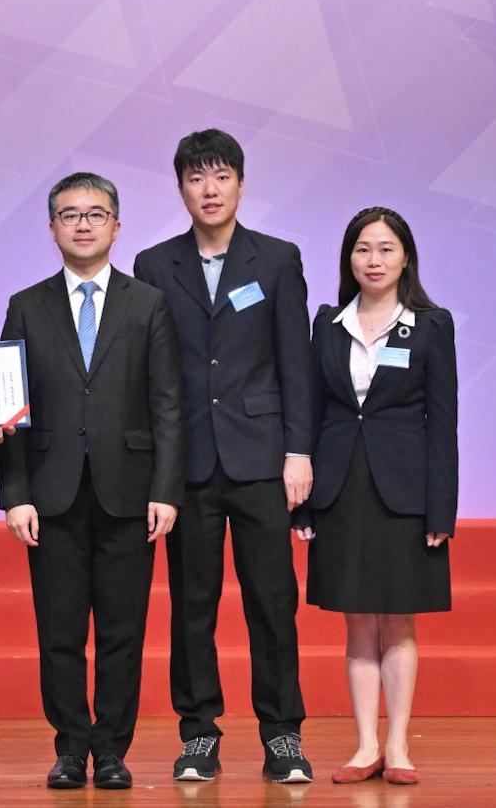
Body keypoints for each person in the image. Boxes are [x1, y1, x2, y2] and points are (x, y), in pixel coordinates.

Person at [130, 129, 318, 783]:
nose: (208, 190)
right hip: (188, 463)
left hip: (262, 457)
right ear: (180, 187)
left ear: (240, 182)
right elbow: (151, 372)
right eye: (195, 178)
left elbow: (296, 362)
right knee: (192, 603)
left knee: (272, 600)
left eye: (220, 177)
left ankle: (282, 734)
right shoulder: (155, 265)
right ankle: (198, 734)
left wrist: (299, 450)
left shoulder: (276, 259)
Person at [0, 171, 184, 791]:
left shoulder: (147, 302)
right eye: (70, 215)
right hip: (51, 495)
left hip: (129, 491)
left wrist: (166, 489)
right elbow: (10, 406)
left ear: (116, 226)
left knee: (124, 632)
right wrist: (15, 494)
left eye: (95, 214)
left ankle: (113, 751)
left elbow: (167, 403)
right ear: (52, 228)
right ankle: (71, 748)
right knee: (60, 632)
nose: (83, 224)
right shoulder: (26, 304)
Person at [294, 206, 458, 787]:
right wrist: (305, 502)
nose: (374, 260)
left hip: (404, 492)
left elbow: (442, 423)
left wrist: (442, 508)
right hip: (341, 488)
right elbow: (312, 414)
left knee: (400, 620)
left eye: (386, 249)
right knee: (358, 623)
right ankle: (365, 745)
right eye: (363, 249)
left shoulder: (430, 326)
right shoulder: (328, 324)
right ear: (349, 259)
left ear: (406, 257)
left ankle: (399, 745)